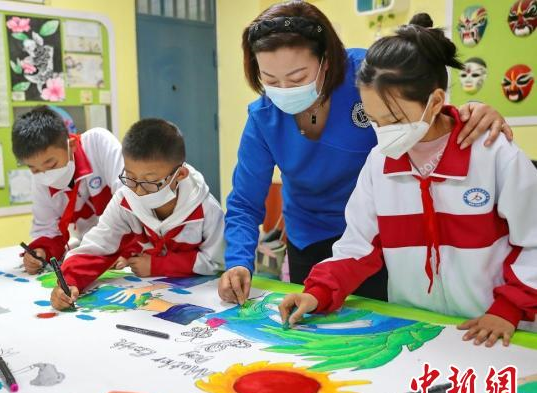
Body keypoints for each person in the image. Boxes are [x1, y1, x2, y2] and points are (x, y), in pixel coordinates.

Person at [218, 0, 513, 306]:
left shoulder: (367, 75)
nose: (285, 90)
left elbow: (421, 108)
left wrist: (469, 113)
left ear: (327, 61)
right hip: (314, 237)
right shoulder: (264, 117)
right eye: (270, 80)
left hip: (388, 232)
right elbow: (244, 202)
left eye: (296, 78)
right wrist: (239, 261)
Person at [279, 14, 537, 347]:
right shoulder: (379, 164)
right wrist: (318, 292)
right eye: (374, 120)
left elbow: (533, 242)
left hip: (494, 329)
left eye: (395, 119)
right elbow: (359, 245)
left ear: (436, 102)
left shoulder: (494, 154)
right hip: (419, 331)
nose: (385, 132)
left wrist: (508, 308)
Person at [50, 119, 224, 310]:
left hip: (198, 302)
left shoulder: (206, 209)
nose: (139, 192)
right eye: (131, 178)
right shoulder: (124, 199)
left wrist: (157, 265)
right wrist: (68, 281)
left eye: (150, 182)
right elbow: (98, 245)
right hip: (147, 301)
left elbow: (216, 261)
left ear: (180, 175)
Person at [11, 106, 123, 274]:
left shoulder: (98, 143)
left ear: (71, 145)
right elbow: (47, 228)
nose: (45, 174)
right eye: (34, 168)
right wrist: (41, 252)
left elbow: (127, 198)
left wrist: (119, 248)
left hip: (126, 248)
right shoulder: (40, 180)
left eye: (51, 164)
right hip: (93, 252)